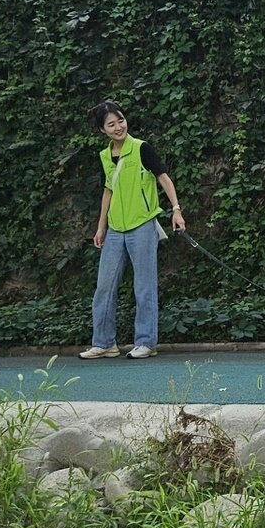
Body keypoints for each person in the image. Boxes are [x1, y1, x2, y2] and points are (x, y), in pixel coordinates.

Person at [79, 100, 186, 360]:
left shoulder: (141, 149)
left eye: (121, 121)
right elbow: (108, 190)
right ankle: (104, 343)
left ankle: (146, 342)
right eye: (111, 124)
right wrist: (101, 226)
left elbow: (163, 177)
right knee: (104, 286)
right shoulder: (105, 156)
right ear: (102, 130)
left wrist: (176, 209)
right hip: (115, 229)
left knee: (144, 286)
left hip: (142, 225)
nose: (118, 127)